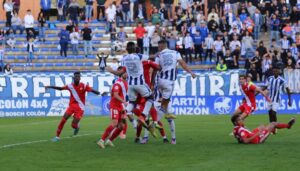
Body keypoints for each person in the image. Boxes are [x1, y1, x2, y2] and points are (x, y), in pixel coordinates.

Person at [106, 42, 155, 129]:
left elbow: (119, 73)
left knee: (132, 102)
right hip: (140, 83)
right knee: (151, 98)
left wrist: (111, 71)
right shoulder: (138, 56)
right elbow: (152, 57)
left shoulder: (124, 59)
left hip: (130, 85)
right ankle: (143, 116)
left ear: (127, 49)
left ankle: (125, 111)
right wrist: (159, 54)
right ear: (134, 48)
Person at [156, 40, 196, 144]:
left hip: (160, 81)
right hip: (169, 82)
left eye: (158, 46)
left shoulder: (159, 54)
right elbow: (182, 63)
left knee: (165, 104)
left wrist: (152, 82)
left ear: (161, 46)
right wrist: (191, 72)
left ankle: (163, 114)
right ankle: (157, 121)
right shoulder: (175, 53)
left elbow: (156, 68)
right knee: (165, 105)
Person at [45, 72, 101, 142]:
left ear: (80, 78)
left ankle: (77, 127)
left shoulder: (83, 86)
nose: (77, 78)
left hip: (80, 108)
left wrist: (99, 93)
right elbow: (60, 88)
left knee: (73, 125)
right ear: (73, 78)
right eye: (76, 77)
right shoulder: (70, 86)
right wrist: (50, 86)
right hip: (71, 106)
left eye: (78, 77)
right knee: (63, 120)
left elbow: (92, 90)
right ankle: (57, 137)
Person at [97, 67, 128, 148]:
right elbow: (115, 95)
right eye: (125, 72)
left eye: (127, 72)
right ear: (122, 74)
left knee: (121, 126)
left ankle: (109, 141)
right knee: (114, 123)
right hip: (115, 106)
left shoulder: (125, 82)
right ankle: (101, 140)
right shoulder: (118, 83)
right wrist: (123, 101)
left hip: (120, 106)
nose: (126, 74)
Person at [231, 114, 296, 144]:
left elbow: (240, 139)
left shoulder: (235, 129)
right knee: (273, 124)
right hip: (257, 139)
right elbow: (245, 141)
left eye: (241, 118)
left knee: (261, 127)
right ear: (235, 122)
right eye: (240, 119)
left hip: (252, 134)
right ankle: (288, 126)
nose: (242, 120)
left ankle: (271, 130)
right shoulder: (241, 130)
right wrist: (257, 134)